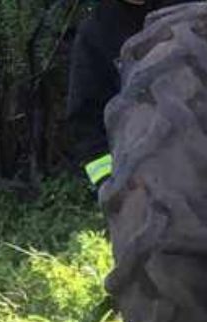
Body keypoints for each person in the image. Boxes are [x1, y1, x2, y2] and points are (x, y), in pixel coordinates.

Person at [66, 0, 177, 189]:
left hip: (201, 174)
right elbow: (85, 121)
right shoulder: (96, 33)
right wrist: (110, 185)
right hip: (140, 184)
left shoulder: (185, 12)